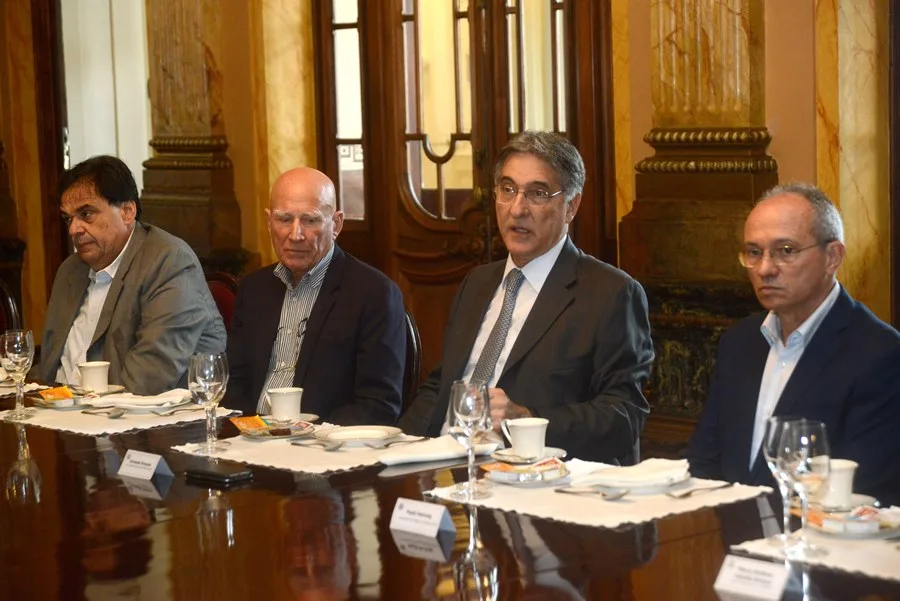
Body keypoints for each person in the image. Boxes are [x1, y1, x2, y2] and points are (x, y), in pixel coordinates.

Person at [399, 131, 654, 465]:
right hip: (446, 468)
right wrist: (398, 451)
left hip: (535, 476)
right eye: (507, 190)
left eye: (537, 193)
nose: (517, 209)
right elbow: (440, 387)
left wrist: (525, 419)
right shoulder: (477, 283)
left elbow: (623, 415)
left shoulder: (610, 294)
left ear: (571, 206)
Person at [687, 183, 900, 503]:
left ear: (832, 256)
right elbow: (705, 459)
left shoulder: (879, 353)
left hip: (824, 543)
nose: (765, 269)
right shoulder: (739, 342)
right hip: (730, 538)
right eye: (754, 252)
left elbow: (865, 489)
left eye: (786, 250)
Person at [223, 167, 406, 425]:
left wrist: (311, 434)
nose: (295, 234)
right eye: (284, 219)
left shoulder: (374, 294)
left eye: (310, 220)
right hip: (250, 439)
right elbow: (234, 386)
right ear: (268, 221)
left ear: (336, 224)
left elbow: (378, 406)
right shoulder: (254, 289)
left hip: (324, 447)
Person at [39, 155, 226, 395]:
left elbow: (149, 378)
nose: (74, 229)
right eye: (68, 218)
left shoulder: (169, 262)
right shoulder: (70, 270)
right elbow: (49, 366)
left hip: (145, 425)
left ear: (127, 212)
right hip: (60, 416)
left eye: (86, 214)